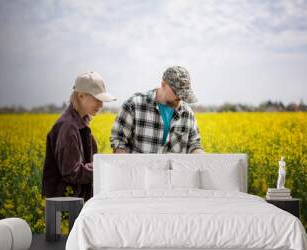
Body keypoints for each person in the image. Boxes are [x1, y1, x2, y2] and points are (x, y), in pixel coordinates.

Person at [42, 71, 116, 201]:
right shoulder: (68, 127)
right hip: (65, 206)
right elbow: (72, 172)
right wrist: (102, 168)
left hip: (74, 202)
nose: (101, 105)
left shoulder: (79, 122)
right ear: (81, 95)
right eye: (97, 99)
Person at [110, 65, 204, 154]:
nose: (180, 97)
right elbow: (118, 140)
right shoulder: (134, 105)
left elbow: (194, 145)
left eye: (183, 94)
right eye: (176, 92)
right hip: (138, 170)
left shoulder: (187, 114)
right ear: (163, 84)